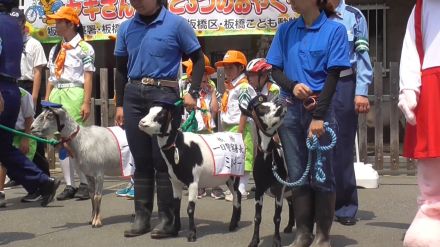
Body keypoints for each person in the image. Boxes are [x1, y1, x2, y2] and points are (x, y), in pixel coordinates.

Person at [113, 0, 204, 238]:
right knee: (141, 158)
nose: (137, 4)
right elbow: (121, 68)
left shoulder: (177, 24)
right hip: (133, 94)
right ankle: (142, 217)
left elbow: (199, 59)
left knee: (162, 160)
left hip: (164, 94)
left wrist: (193, 92)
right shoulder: (126, 27)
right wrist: (120, 103)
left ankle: (168, 219)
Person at [266, 0, 350, 245]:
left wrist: (319, 116)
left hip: (320, 109)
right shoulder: (285, 30)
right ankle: (303, 233)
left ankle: (323, 236)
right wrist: (292, 85)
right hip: (290, 111)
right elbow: (275, 70)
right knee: (297, 174)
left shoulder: (335, 30)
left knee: (322, 174)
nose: (290, 1)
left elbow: (333, 77)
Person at [0, 0, 60, 208]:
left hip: (1, 87)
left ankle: (41, 182)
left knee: (3, 147)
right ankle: (42, 182)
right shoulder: (13, 27)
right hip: (11, 88)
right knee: (4, 147)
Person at [327, 0, 373, 226]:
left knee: (343, 147)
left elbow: (362, 55)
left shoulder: (354, 16)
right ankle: (319, 205)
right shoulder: (314, 13)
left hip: (345, 84)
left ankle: (345, 206)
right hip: (318, 83)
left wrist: (361, 91)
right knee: (316, 145)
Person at [398, 1, 440, 246]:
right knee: (432, 159)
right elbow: (411, 48)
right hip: (432, 87)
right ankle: (432, 214)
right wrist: (409, 88)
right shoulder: (422, 7)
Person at [45, 6, 94, 201]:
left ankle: (84, 182)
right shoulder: (55, 48)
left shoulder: (84, 48)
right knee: (60, 141)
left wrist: (86, 102)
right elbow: (50, 76)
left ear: (71, 24)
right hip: (57, 93)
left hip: (74, 92)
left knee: (76, 140)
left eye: (59, 21)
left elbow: (88, 77)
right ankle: (69, 184)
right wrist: (47, 99)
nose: (56, 25)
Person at [8, 8, 51, 202]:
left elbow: (37, 73)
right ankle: (21, 176)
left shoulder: (34, 44)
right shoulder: (10, 40)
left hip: (27, 87)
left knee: (32, 135)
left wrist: (34, 97)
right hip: (11, 85)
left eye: (18, 23)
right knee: (11, 135)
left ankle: (44, 176)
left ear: (24, 23)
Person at [181, 54, 225, 200]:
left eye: (206, 74)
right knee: (195, 160)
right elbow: (184, 111)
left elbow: (215, 110)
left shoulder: (211, 91)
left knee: (212, 158)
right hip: (193, 130)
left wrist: (212, 93)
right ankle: (198, 187)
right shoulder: (187, 92)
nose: (204, 77)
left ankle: (216, 186)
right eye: (201, 74)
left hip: (208, 129)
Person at [215, 50, 255, 201]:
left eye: (231, 68)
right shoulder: (231, 87)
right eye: (226, 68)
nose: (227, 71)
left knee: (244, 158)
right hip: (229, 127)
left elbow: (245, 111)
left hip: (241, 127)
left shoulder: (244, 87)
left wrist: (239, 131)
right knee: (232, 159)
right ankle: (235, 188)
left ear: (241, 68)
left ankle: (242, 189)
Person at [0, 87, 38, 204]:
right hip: (7, 133)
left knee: (17, 166)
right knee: (5, 163)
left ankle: (37, 189)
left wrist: (26, 140)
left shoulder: (23, 94)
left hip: (24, 134)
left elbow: (29, 118)